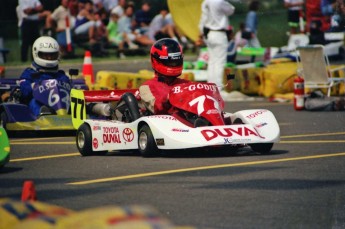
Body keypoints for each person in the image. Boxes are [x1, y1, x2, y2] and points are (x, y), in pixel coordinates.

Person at [19, 36, 70, 116]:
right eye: (45, 55)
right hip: (39, 105)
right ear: (36, 53)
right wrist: (34, 86)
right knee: (34, 101)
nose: (49, 58)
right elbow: (24, 90)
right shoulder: (30, 73)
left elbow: (68, 87)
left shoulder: (60, 75)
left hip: (62, 105)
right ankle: (43, 114)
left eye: (52, 55)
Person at [139, 38, 188, 115]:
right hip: (163, 123)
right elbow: (157, 109)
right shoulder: (146, 87)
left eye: (176, 62)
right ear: (156, 61)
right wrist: (169, 98)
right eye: (171, 62)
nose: (174, 65)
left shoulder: (186, 84)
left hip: (189, 122)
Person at [198, 0, 235, 99]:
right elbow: (231, 10)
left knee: (212, 61)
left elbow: (202, 20)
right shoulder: (219, 1)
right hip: (219, 33)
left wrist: (201, 33)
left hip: (209, 33)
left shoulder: (205, 2)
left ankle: (210, 87)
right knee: (219, 62)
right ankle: (218, 89)